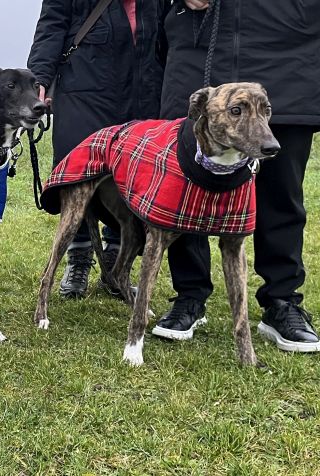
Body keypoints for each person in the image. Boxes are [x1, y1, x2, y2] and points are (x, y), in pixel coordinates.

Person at [153, 0, 320, 351]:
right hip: (199, 52)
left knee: (282, 194)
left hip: (289, 54)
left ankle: (282, 301)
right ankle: (189, 295)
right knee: (186, 193)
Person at [28, 0, 165, 298]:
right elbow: (52, 25)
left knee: (131, 178)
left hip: (143, 91)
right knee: (76, 173)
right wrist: (38, 78)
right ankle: (78, 256)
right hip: (85, 87)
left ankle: (116, 259)